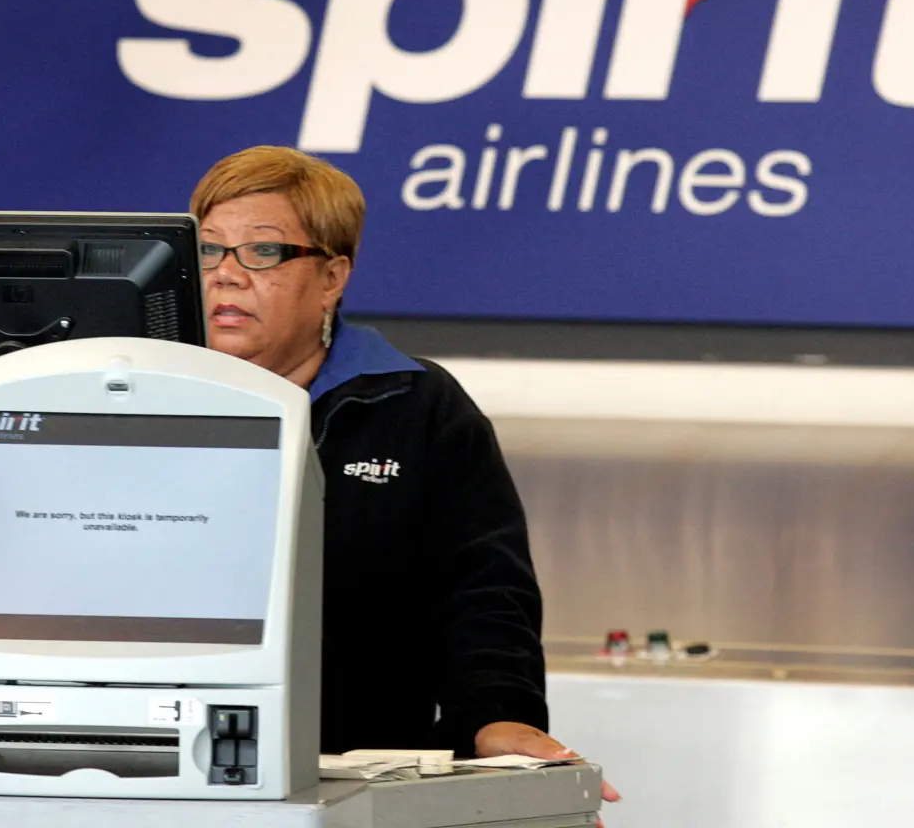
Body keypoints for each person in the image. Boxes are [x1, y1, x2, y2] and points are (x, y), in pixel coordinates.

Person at [189, 146, 618, 810]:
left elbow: (484, 590)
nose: (227, 276)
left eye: (263, 253)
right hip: (158, 764)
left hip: (360, 777)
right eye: (208, 249)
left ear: (332, 277)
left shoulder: (417, 406)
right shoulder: (132, 395)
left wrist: (496, 716)